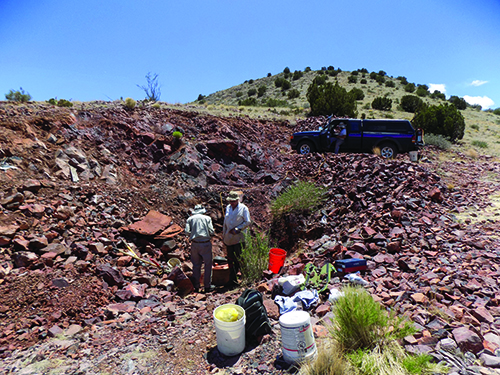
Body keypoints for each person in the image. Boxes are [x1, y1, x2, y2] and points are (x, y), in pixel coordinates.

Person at [223, 191, 251, 287]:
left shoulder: (243, 208)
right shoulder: (228, 208)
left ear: (237, 200)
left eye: (233, 201)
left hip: (239, 238)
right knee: (230, 259)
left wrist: (238, 229)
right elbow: (225, 222)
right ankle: (232, 280)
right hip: (229, 238)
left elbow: (247, 222)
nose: (231, 203)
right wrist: (224, 235)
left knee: (240, 258)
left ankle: (244, 279)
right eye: (230, 201)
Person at [185, 204, 215, 293]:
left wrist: (193, 235)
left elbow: (187, 232)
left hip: (195, 244)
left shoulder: (190, 219)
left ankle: (196, 286)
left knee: (196, 265)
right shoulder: (207, 218)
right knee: (208, 265)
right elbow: (211, 231)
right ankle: (207, 286)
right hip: (205, 243)